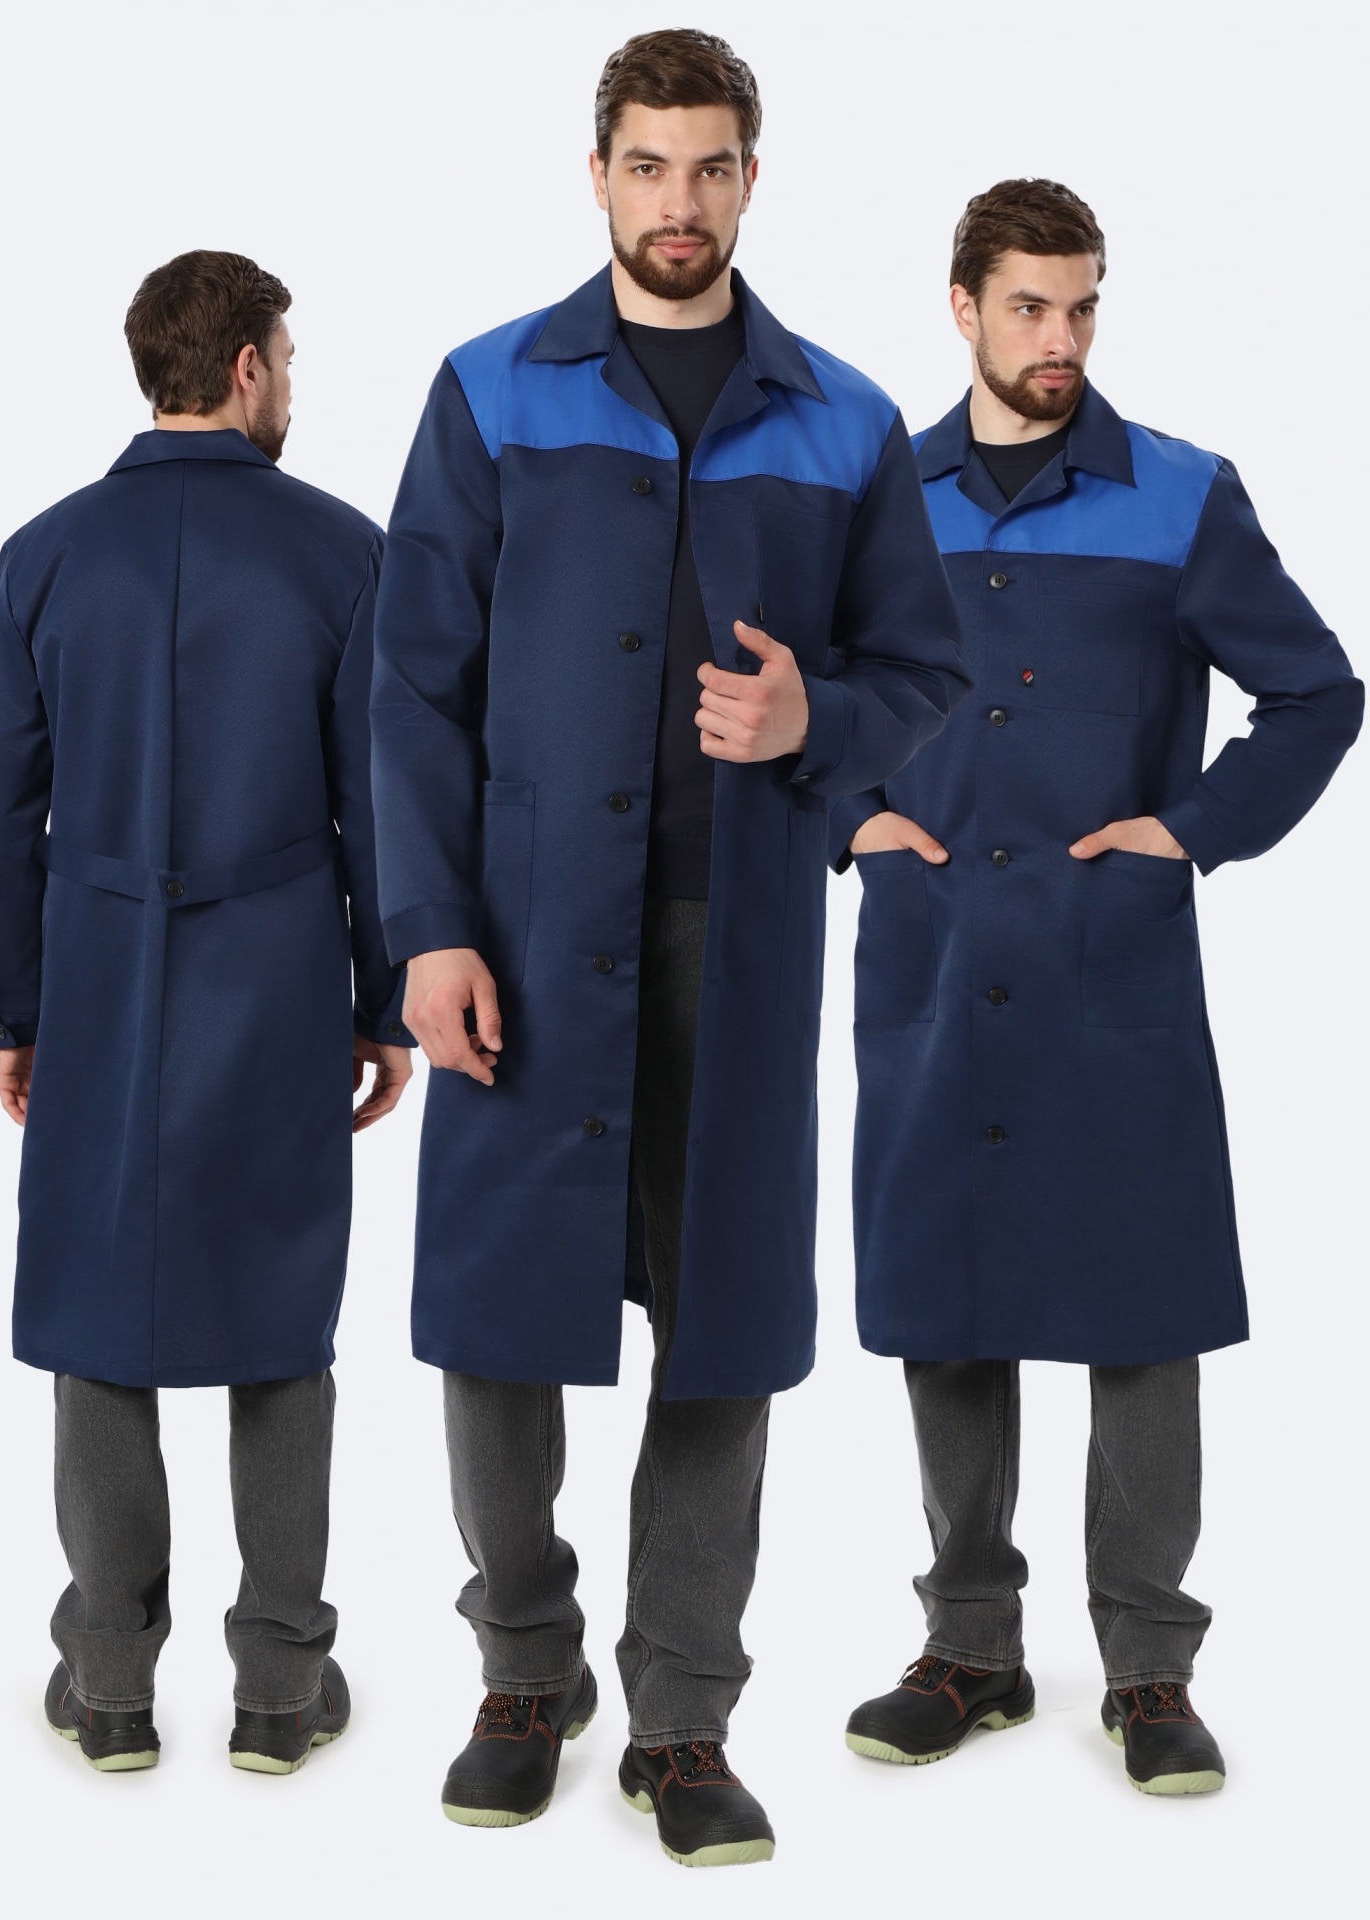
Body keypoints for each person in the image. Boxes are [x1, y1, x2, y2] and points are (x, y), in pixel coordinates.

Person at [371, 28, 967, 1866]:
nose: (680, 201)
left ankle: (684, 1715)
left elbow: (923, 671)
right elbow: (409, 688)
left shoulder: (847, 419)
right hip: (527, 935)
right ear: (599, 175)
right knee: (498, 1318)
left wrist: (816, 723)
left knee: (722, 1332)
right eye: (649, 165)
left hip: (740, 933)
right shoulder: (489, 392)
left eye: (711, 167)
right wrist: (427, 935)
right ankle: (524, 1673)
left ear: (752, 180)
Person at [832, 178, 1362, 1796]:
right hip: (934, 960)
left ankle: (1148, 1664)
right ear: (963, 308)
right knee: (946, 1304)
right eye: (1029, 308)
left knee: (1142, 1311)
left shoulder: (1181, 494)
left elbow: (1317, 692)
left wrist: (1188, 832)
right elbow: (790, 693)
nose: (1059, 339)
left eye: (1081, 308)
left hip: (1106, 966)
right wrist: (845, 817)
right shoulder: (874, 496)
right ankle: (971, 1646)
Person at [0, 250, 411, 1775]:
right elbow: (377, 806)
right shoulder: (343, 554)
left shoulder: (41, 555)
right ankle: (279, 1688)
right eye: (288, 357)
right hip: (277, 976)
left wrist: (14, 1010)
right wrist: (384, 999)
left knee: (101, 1318)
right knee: (280, 1321)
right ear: (244, 369)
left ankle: (109, 1686)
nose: (291, 384)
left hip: (96, 976)